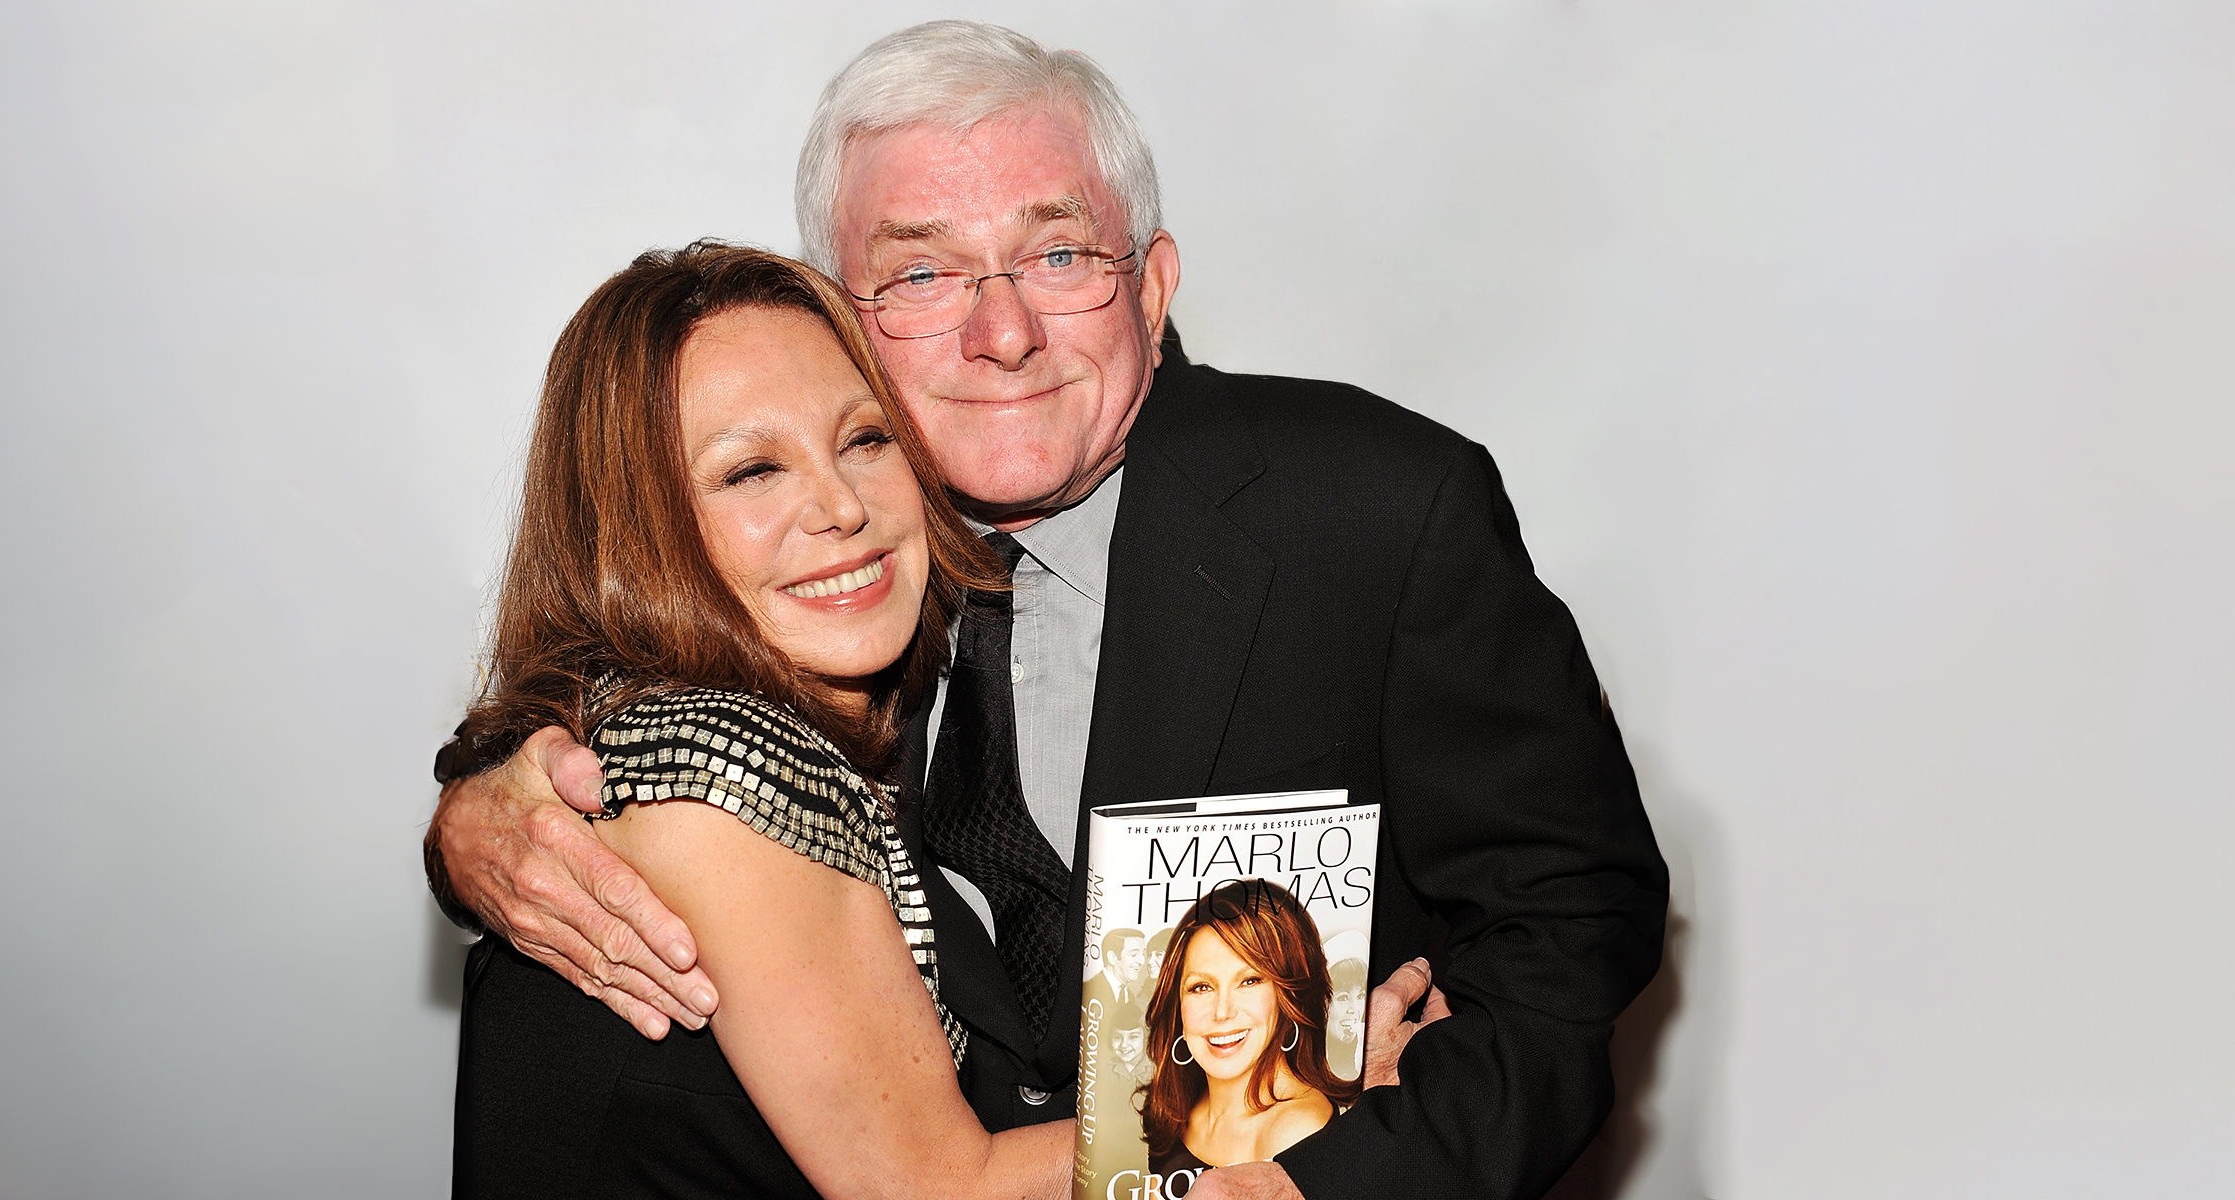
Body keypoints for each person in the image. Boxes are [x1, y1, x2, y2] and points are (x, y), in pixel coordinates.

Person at [428, 21, 1668, 1200]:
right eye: (921, 271)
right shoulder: (819, 575)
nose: (1002, 333)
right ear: (843, 321)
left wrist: (1335, 1174)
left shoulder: (1377, 509)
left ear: (1155, 282)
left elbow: (1570, 921)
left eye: (1061, 255)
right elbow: (610, 695)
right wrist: (477, 821)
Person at [445, 240, 1067, 1198]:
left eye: (865, 439)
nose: (841, 506)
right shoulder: (718, 765)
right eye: (750, 472)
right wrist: (1296, 1099)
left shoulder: (650, 724)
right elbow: (945, 1187)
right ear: (637, 529)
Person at [1140, 881, 1359, 1184]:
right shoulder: (1175, 1107)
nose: (1222, 1012)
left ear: (1288, 995)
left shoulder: (1296, 1130)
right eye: (1201, 987)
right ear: (1177, 1003)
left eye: (1249, 981)